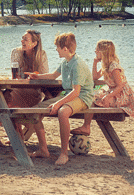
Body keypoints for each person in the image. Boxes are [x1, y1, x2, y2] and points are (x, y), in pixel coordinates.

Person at [27, 32, 94, 166]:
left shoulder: (77, 64)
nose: (56, 50)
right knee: (34, 111)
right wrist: (37, 77)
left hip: (83, 98)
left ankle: (64, 153)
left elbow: (76, 92)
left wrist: (58, 103)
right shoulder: (65, 62)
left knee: (63, 112)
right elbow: (53, 75)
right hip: (69, 95)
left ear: (65, 48)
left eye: (57, 47)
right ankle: (43, 150)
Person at [0, 30, 50, 145]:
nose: (22, 41)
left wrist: (35, 77)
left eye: (25, 39)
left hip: (34, 92)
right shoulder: (16, 52)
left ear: (34, 43)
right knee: (6, 98)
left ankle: (13, 134)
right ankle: (11, 133)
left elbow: (44, 76)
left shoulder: (41, 55)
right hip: (18, 88)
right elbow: (16, 76)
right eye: (22, 38)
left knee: (6, 99)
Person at [73, 40, 134, 136]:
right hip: (113, 91)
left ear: (103, 52)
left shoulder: (113, 66)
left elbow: (120, 86)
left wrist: (108, 96)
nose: (95, 52)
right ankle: (86, 125)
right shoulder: (106, 65)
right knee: (90, 96)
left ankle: (86, 126)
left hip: (122, 95)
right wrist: (95, 63)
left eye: (96, 50)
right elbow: (95, 77)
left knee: (93, 99)